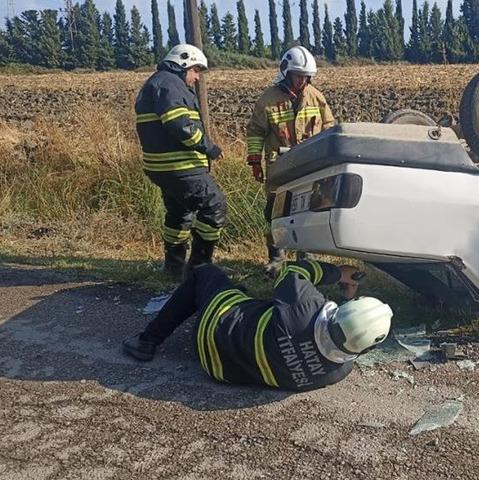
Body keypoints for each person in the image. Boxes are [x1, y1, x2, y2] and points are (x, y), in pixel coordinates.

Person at [122, 260, 392, 391]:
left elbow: (294, 270)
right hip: (220, 371)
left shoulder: (303, 306)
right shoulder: (338, 371)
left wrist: (340, 273)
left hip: (214, 324)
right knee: (258, 305)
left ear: (340, 312)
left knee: (206, 274)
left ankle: (147, 340)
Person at [135, 44, 226, 279]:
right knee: (214, 207)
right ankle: (199, 268)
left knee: (179, 214)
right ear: (183, 63)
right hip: (181, 166)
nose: (196, 78)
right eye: (196, 70)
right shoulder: (170, 84)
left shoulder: (156, 83)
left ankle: (173, 268)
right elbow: (181, 125)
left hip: (162, 167)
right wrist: (210, 148)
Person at [245, 45, 336, 273]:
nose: (302, 81)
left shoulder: (316, 98)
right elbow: (256, 131)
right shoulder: (268, 100)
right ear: (286, 72)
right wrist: (255, 161)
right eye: (298, 76)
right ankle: (276, 258)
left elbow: (329, 126)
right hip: (280, 167)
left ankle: (306, 258)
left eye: (306, 77)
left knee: (307, 211)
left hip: (309, 166)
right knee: (275, 213)